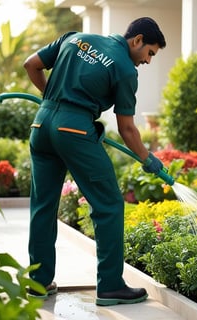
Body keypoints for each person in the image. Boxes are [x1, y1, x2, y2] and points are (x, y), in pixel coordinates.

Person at [23, 17, 166, 306]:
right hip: (73, 130)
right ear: (137, 40)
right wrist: (147, 158)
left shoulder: (74, 38)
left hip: (41, 127)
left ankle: (37, 283)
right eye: (150, 52)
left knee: (43, 205)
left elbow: (30, 64)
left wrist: (52, 97)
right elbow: (127, 128)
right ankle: (111, 285)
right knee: (109, 203)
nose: (148, 61)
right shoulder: (125, 69)